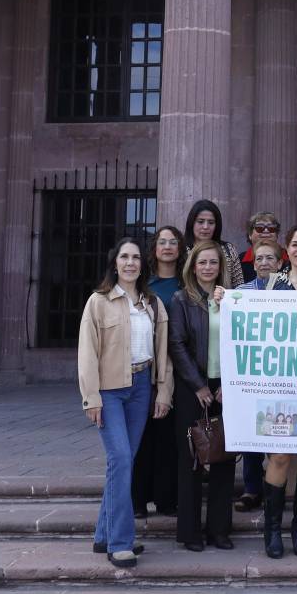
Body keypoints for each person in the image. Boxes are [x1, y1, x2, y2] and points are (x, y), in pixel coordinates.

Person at [78, 237, 173, 569]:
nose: (130, 263)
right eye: (124, 257)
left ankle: (103, 535)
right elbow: (87, 353)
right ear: (115, 263)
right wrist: (91, 397)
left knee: (123, 462)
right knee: (120, 458)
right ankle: (120, 542)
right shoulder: (99, 301)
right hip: (110, 390)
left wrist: (163, 391)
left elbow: (163, 353)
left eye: (135, 258)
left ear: (142, 264)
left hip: (141, 387)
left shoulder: (152, 303)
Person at [244, 223, 297, 558]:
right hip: (278, 386)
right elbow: (246, 318)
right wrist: (225, 298)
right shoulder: (270, 286)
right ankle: (272, 529)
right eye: (295, 244)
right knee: (279, 455)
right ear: (287, 249)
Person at [167, 243, 235, 552]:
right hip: (192, 386)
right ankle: (190, 531)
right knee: (191, 458)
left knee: (224, 456)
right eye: (202, 262)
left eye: (213, 263)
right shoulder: (181, 299)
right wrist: (198, 385)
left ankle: (219, 530)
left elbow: (242, 342)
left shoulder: (231, 299)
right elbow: (177, 344)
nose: (208, 268)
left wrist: (230, 383)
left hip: (225, 385)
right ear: (193, 267)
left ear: (221, 267)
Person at [133, 225, 188, 519]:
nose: (167, 247)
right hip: (149, 366)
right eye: (162, 242)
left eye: (173, 242)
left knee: (170, 438)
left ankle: (167, 498)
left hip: (181, 368)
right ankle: (138, 499)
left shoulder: (186, 283)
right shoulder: (144, 284)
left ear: (180, 248)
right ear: (154, 248)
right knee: (143, 436)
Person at [231, 240, 281, 511]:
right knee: (251, 431)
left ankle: (276, 489)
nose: (264, 263)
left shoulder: (292, 293)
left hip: (283, 374)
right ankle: (251, 489)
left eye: (269, 258)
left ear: (279, 263)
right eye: (259, 258)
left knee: (280, 433)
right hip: (252, 372)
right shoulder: (240, 294)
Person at [185, 198, 246, 290]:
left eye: (211, 222)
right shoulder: (182, 250)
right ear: (191, 223)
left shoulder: (228, 250)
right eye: (200, 222)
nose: (205, 227)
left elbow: (239, 287)